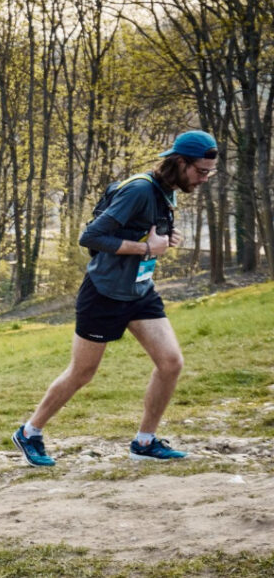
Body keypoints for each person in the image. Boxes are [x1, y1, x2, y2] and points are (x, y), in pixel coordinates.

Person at [13, 130, 219, 466]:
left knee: (171, 363)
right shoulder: (140, 189)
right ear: (180, 163)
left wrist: (163, 239)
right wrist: (146, 247)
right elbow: (91, 236)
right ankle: (30, 432)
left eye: (210, 172)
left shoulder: (167, 192)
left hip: (140, 291)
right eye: (201, 171)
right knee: (82, 373)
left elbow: (141, 233)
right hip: (104, 293)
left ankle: (145, 441)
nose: (204, 178)